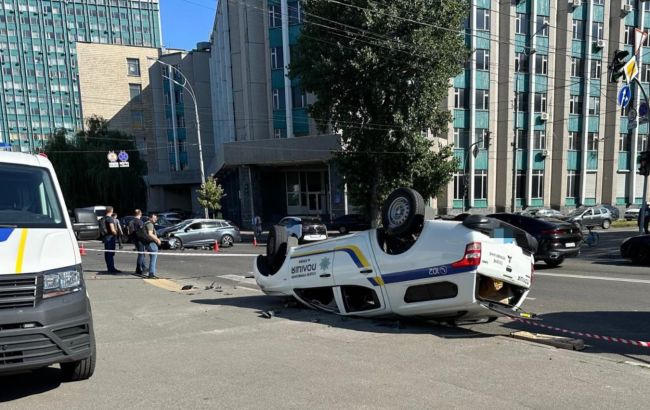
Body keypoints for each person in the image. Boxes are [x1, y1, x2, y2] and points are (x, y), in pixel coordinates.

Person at [101, 206, 121, 273]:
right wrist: (116, 233)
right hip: (110, 237)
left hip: (105, 237)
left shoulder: (103, 218)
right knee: (111, 253)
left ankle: (109, 267)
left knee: (107, 253)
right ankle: (111, 269)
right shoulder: (110, 219)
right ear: (111, 211)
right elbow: (112, 230)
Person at [144, 214, 162, 279]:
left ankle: (150, 272)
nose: (155, 219)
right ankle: (151, 273)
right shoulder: (150, 224)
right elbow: (150, 234)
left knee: (152, 258)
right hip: (151, 243)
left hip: (147, 243)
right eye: (154, 218)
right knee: (153, 258)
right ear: (150, 218)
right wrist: (157, 239)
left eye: (156, 218)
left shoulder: (145, 223)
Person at [128, 209, 146, 275]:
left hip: (134, 239)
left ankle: (144, 267)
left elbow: (130, 231)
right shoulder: (140, 222)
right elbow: (143, 232)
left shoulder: (131, 221)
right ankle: (138, 269)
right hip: (140, 239)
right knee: (141, 254)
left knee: (141, 253)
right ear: (140, 214)